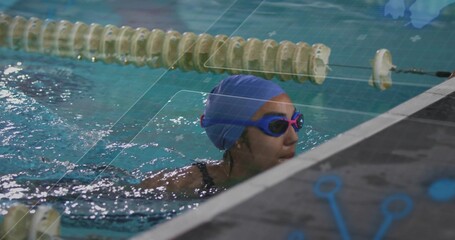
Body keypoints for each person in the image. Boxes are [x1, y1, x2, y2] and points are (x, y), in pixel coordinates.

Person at [139, 75, 303, 197]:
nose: (293, 138)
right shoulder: (178, 187)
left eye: (296, 122)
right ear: (237, 138)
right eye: (277, 126)